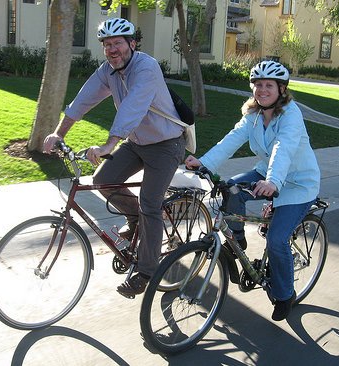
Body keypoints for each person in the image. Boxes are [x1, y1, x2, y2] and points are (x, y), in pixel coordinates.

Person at [43, 18, 186, 298]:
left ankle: (146, 272)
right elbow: (83, 101)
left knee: (150, 203)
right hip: (137, 143)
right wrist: (58, 133)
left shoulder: (146, 67)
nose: (112, 49)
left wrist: (109, 144)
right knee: (103, 181)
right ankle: (135, 222)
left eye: (118, 42)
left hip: (166, 144)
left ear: (132, 44)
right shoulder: (107, 71)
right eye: (107, 44)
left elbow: (133, 107)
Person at [185, 60, 320, 321]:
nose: (262, 90)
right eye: (258, 85)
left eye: (269, 85)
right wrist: (205, 162)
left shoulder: (291, 114)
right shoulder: (254, 115)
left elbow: (285, 147)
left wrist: (273, 182)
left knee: (277, 239)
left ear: (281, 89)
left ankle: (284, 294)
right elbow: (232, 138)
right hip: (267, 172)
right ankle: (238, 239)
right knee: (231, 190)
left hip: (298, 183)